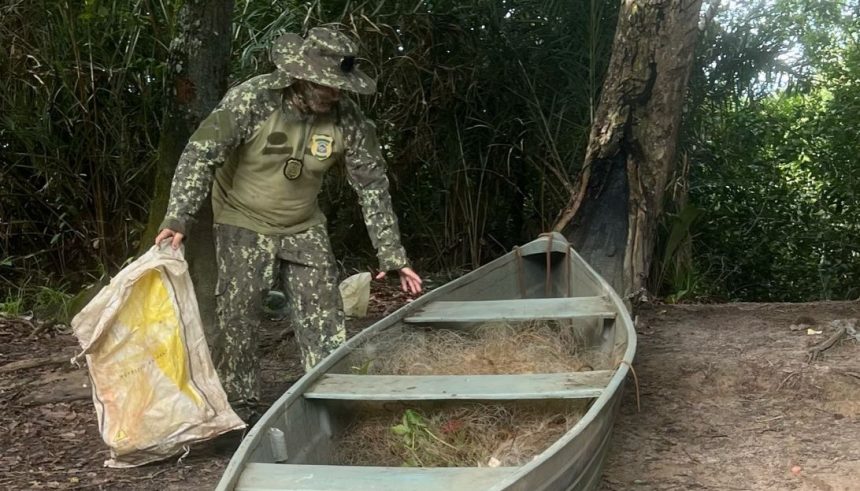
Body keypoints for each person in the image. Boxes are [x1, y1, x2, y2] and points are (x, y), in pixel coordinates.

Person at [154, 26, 422, 420]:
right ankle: (239, 410)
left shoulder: (348, 118)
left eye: (339, 86)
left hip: (303, 224)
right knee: (239, 316)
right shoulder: (253, 99)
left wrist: (392, 254)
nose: (333, 93)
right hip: (241, 218)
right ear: (302, 75)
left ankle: (333, 403)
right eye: (326, 85)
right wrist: (179, 216)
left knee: (324, 316)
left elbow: (372, 185)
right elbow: (200, 154)